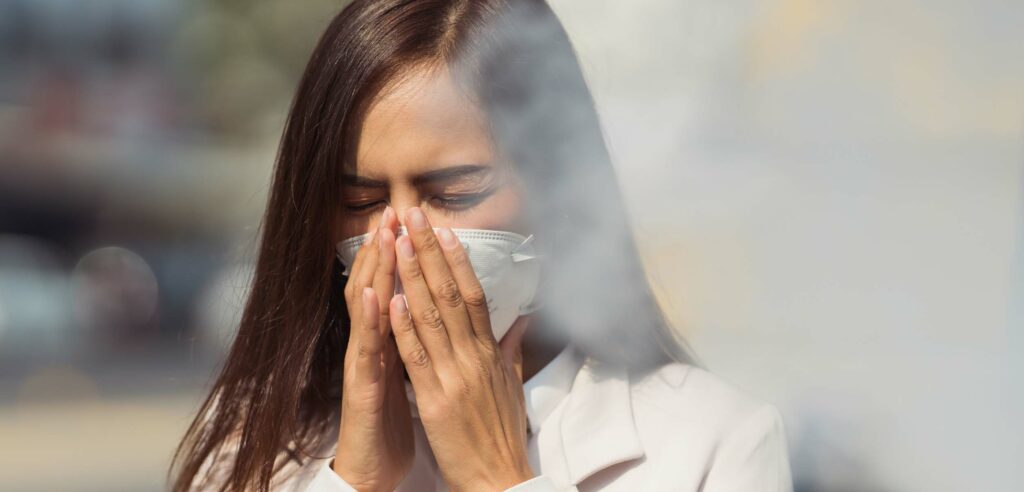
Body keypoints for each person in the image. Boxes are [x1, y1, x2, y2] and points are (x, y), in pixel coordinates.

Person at [170, 1, 793, 491]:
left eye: (454, 193)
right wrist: (352, 481)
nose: (404, 239)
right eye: (362, 202)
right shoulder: (254, 443)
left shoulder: (713, 442)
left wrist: (502, 480)